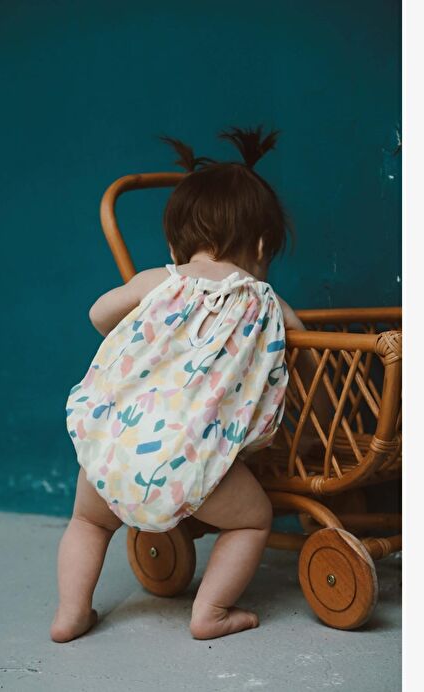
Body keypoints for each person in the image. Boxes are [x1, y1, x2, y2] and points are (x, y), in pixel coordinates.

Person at [50, 126, 309, 643]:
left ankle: (71, 612)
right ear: (262, 245)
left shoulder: (160, 281)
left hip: (113, 447)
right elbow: (306, 345)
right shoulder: (265, 302)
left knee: (88, 523)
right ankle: (210, 611)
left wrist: (143, 321)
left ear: (176, 244)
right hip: (192, 460)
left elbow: (98, 314)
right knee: (252, 520)